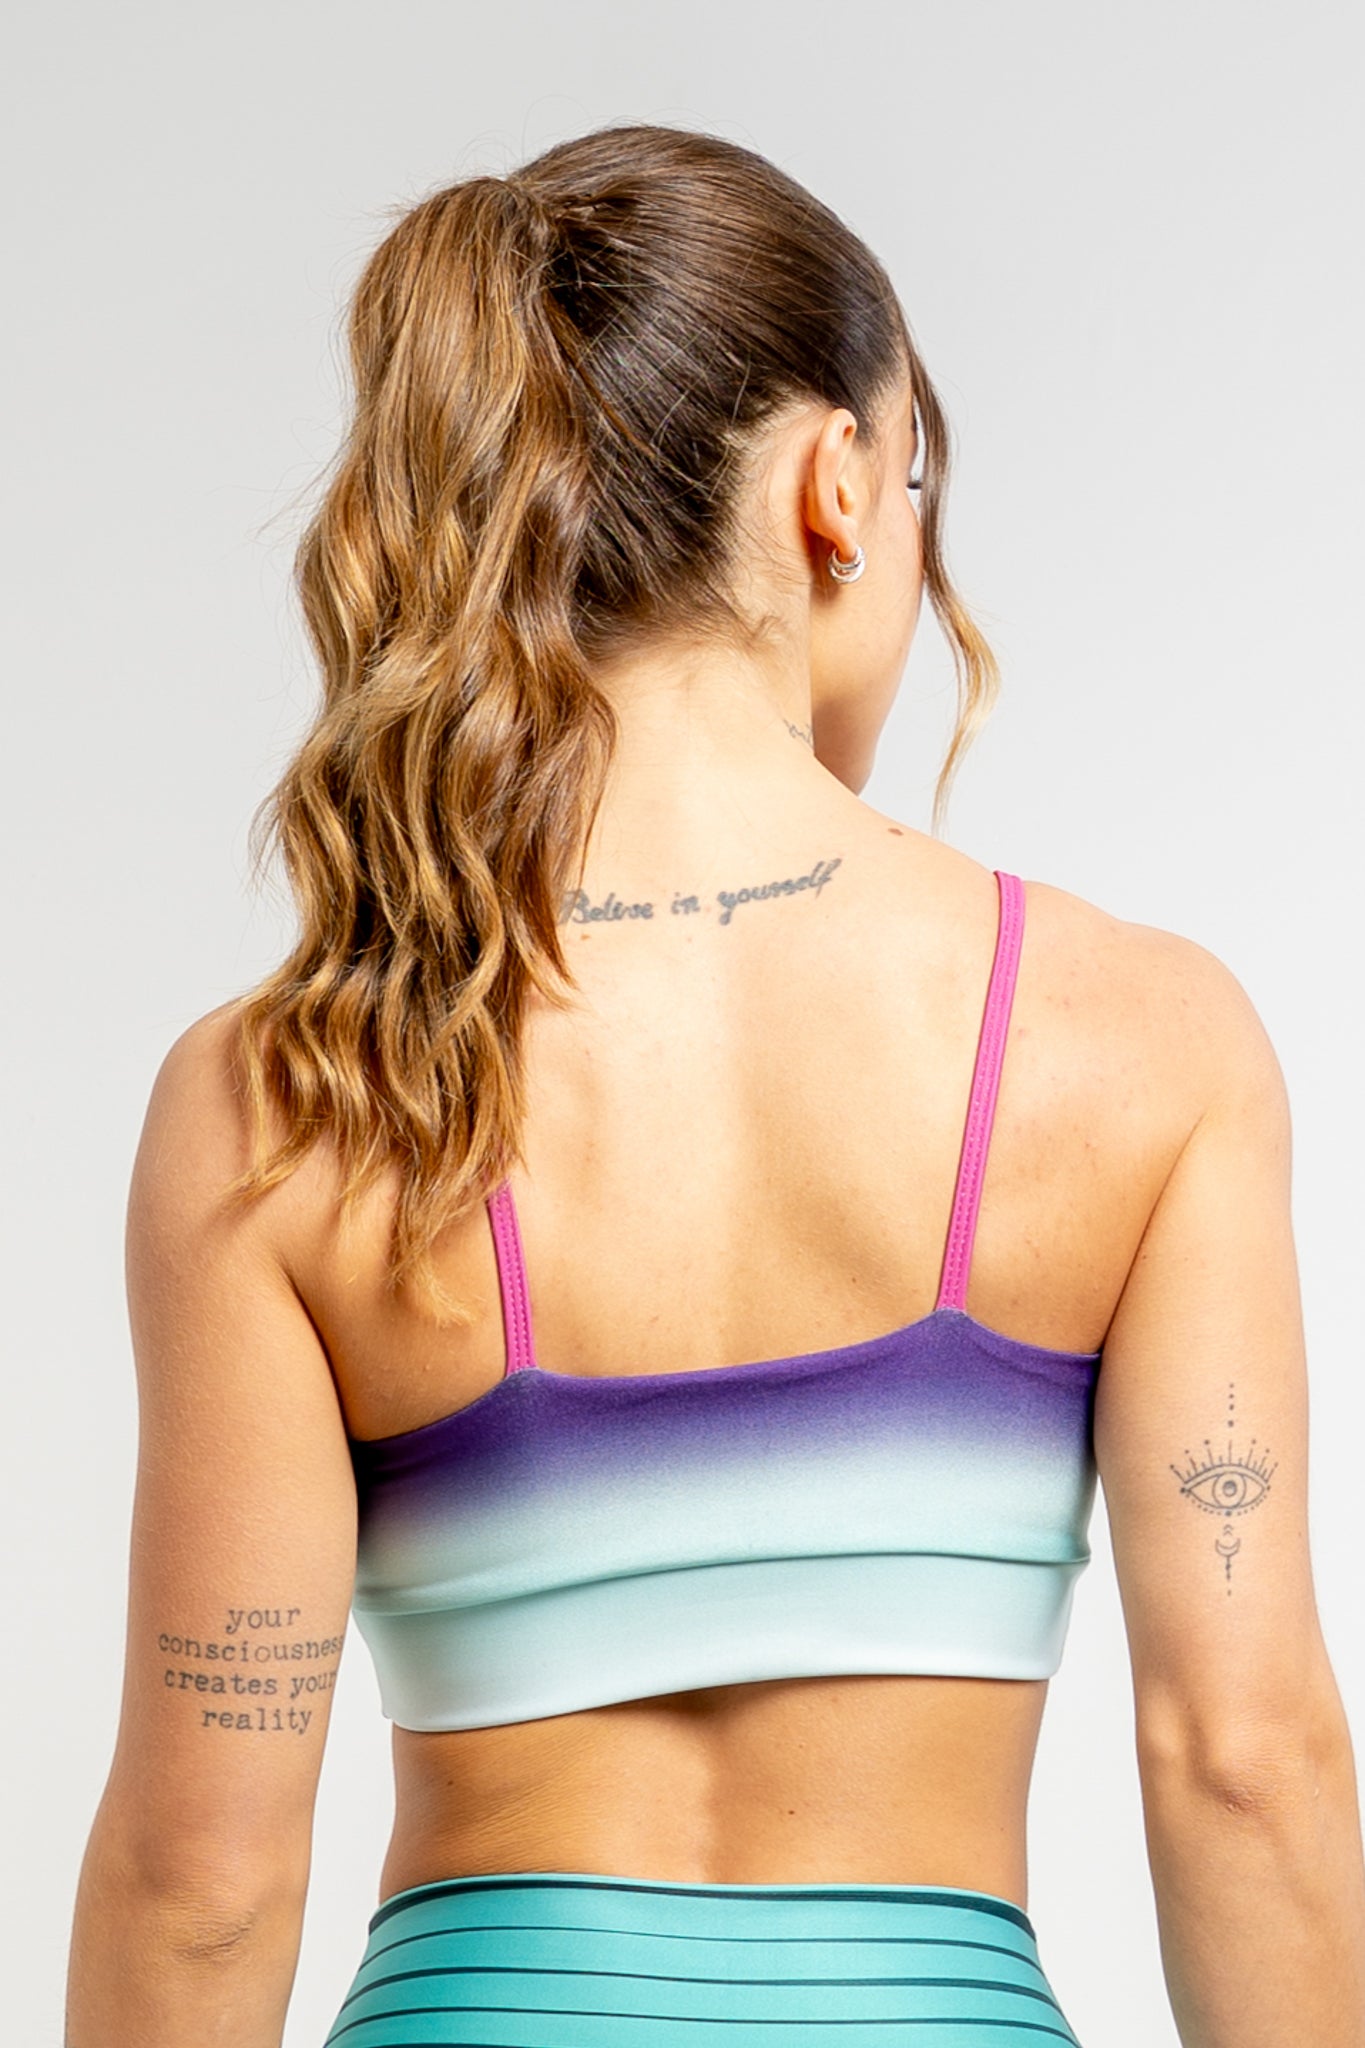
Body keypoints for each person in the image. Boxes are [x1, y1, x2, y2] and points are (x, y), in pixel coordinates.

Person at [65, 121, 1365, 2048]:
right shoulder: (1135, 1041)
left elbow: (202, 1883)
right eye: (912, 480)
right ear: (836, 486)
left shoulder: (300, 1086)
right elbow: (1242, 1770)